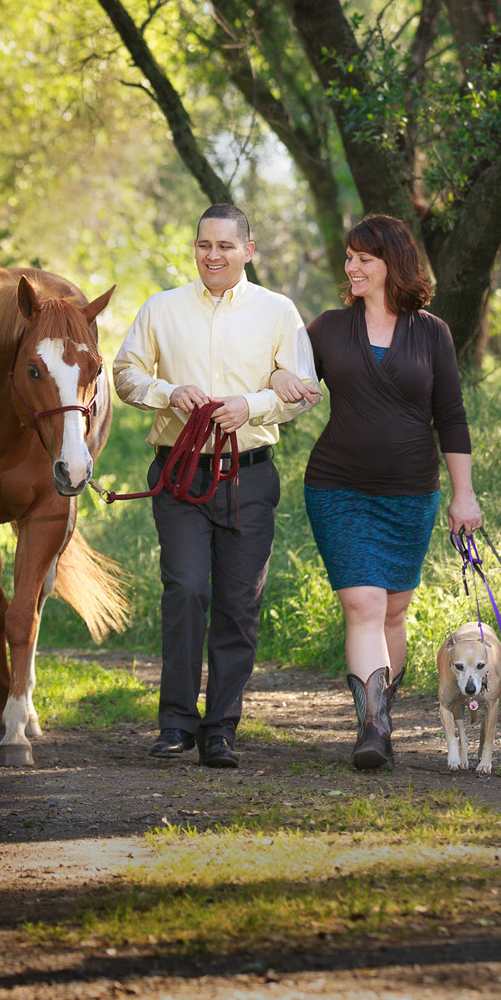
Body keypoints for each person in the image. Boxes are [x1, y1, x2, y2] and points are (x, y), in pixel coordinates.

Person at [112, 204, 318, 768]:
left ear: (248, 250)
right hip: (179, 474)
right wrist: (167, 392)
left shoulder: (279, 312)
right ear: (195, 247)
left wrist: (247, 405)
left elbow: (303, 389)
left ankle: (221, 727)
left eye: (226, 246)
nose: (213, 256)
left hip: (249, 476)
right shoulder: (161, 308)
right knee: (185, 589)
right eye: (205, 245)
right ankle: (176, 723)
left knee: (237, 603)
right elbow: (124, 374)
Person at [274, 213, 482, 772]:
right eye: (348, 257)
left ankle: (380, 708)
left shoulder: (431, 332)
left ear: (394, 262)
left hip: (412, 493)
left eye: (364, 257)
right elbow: (283, 375)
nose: (352, 267)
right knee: (362, 603)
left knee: (393, 610)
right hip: (338, 487)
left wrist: (464, 495)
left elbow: (452, 417)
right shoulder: (326, 328)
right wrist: (279, 381)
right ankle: (374, 730)